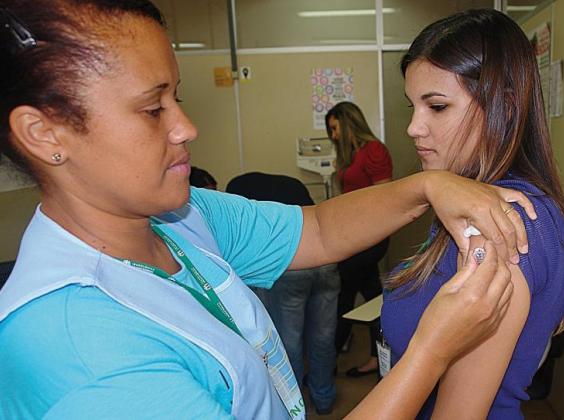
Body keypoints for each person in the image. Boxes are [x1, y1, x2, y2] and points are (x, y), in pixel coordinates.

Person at [0, 2, 536, 419]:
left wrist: (428, 185)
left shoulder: (179, 218)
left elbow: (319, 230)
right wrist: (431, 351)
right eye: (151, 108)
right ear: (45, 133)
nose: (186, 127)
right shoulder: (83, 351)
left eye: (178, 98)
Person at [380, 9, 564, 420]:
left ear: (501, 106)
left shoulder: (495, 226)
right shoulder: (474, 201)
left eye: (436, 106)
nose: (414, 128)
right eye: (412, 106)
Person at [226, 172, 339, 415]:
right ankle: (324, 398)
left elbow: (243, 241)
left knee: (289, 343)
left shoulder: (236, 192)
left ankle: (292, 406)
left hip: (290, 266)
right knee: (323, 336)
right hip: (326, 263)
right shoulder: (292, 184)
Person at [324, 101, 390, 378]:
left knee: (344, 295)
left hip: (370, 237)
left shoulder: (374, 150)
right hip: (354, 236)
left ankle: (327, 364)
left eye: (335, 128)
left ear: (348, 122)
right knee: (373, 296)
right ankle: (378, 359)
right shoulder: (350, 154)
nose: (333, 136)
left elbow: (384, 197)